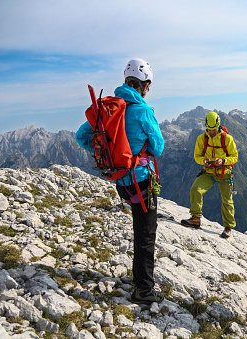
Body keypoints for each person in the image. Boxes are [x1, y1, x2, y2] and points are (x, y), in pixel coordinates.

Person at [75, 58, 165, 304]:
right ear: (144, 85)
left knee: (140, 231)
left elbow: (81, 135)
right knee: (146, 235)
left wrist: (104, 154)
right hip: (142, 183)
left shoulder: (109, 107)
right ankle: (143, 289)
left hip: (121, 182)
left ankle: (139, 279)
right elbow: (158, 148)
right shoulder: (143, 111)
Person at [180, 111, 238, 238]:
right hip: (209, 172)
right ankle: (195, 218)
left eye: (214, 129)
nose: (212, 131)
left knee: (227, 200)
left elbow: (235, 157)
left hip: (224, 172)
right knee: (196, 189)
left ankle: (228, 227)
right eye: (209, 129)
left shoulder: (227, 139)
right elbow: (197, 156)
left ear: (219, 125)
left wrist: (223, 161)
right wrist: (203, 161)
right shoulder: (201, 139)